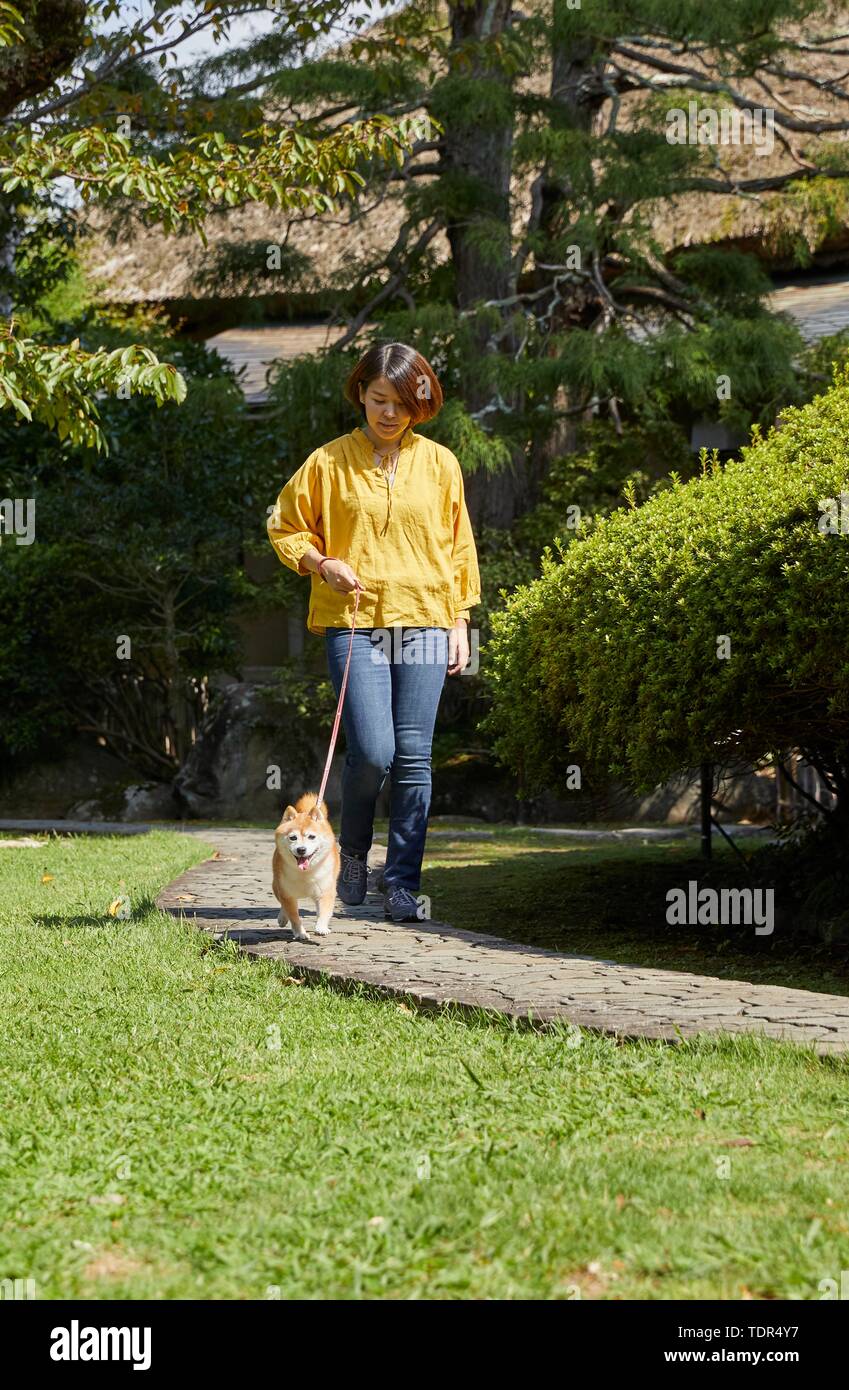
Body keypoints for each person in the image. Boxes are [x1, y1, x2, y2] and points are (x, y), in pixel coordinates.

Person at [266, 341, 481, 922]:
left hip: (427, 619)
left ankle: (404, 883)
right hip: (355, 623)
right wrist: (321, 564)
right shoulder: (327, 462)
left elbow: (458, 547)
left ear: (422, 402)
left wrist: (460, 619)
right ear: (360, 392)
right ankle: (352, 853)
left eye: (404, 402)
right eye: (379, 399)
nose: (390, 413)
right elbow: (283, 527)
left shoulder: (440, 464)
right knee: (374, 753)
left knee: (415, 758)